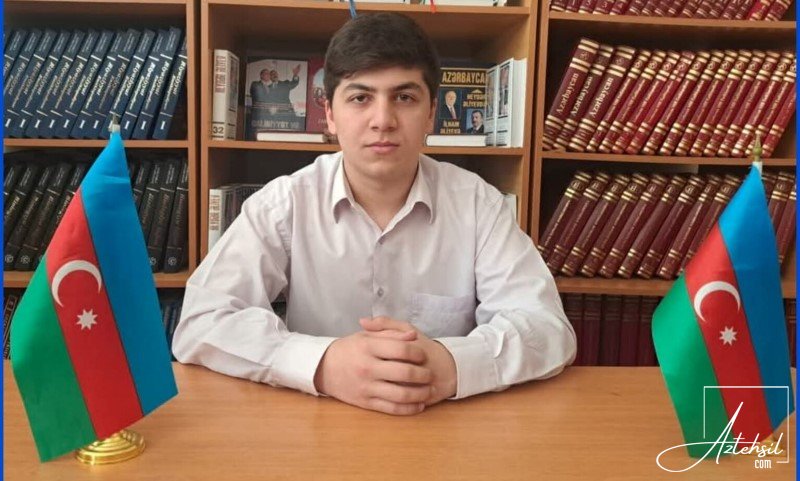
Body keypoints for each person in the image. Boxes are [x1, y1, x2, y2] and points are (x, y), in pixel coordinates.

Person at [173, 12, 575, 416]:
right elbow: (201, 321)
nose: (383, 121)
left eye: (404, 97)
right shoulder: (284, 203)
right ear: (330, 114)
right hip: (316, 423)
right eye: (360, 98)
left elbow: (547, 327)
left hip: (442, 425)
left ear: (431, 113)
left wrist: (452, 364)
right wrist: (323, 364)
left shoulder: (478, 204)